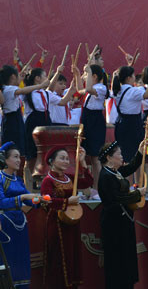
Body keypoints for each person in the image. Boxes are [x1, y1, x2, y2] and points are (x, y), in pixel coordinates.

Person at [40, 145, 93, 289]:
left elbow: (88, 182)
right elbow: (47, 201)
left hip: (72, 222)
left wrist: (82, 161)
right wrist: (67, 202)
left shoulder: (68, 178)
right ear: (52, 161)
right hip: (57, 224)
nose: (66, 161)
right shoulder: (47, 181)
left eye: (67, 159)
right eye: (62, 158)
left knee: (73, 256)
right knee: (60, 258)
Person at [97, 140, 146, 289]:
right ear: (109, 158)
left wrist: (140, 151)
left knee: (126, 261)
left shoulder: (115, 172)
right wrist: (137, 194)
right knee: (117, 263)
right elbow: (116, 199)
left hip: (124, 222)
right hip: (113, 225)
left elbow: (131, 167)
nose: (122, 156)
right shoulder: (105, 176)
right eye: (119, 154)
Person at [0, 142, 49, 287]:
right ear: (5, 159)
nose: (18, 160)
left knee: (21, 260)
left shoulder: (19, 180)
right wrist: (22, 198)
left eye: (19, 157)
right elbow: (2, 203)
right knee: (8, 260)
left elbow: (30, 200)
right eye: (15, 157)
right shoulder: (1, 178)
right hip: (5, 224)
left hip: (20, 225)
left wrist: (41, 200)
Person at [112, 66, 148, 163]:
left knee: (125, 155)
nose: (134, 77)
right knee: (136, 155)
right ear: (128, 78)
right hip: (133, 126)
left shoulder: (118, 90)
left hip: (120, 124)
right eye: (133, 75)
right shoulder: (133, 91)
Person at [0, 65, 48, 156]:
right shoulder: (9, 89)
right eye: (18, 75)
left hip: (12, 120)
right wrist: (40, 86)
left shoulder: (5, 88)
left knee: (17, 148)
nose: (21, 78)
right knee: (14, 148)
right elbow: (22, 91)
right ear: (13, 77)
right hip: (12, 122)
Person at [79, 64, 109, 190]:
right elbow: (80, 89)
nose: (85, 77)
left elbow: (88, 88)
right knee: (90, 156)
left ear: (94, 76)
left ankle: (99, 188)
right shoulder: (92, 88)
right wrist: (77, 73)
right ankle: (93, 187)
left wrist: (89, 71)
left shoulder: (101, 87)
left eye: (87, 75)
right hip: (87, 120)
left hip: (95, 121)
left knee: (96, 157)